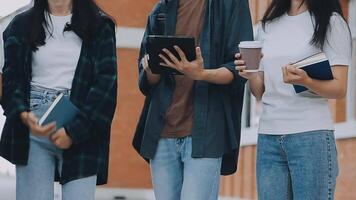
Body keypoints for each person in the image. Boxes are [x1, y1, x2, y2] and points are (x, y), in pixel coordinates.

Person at [133, 0, 253, 199]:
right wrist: (150, 70)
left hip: (206, 134)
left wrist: (201, 74)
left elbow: (240, 70)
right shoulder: (161, 8)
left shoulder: (232, 4)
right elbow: (145, 82)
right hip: (162, 135)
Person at [0, 0, 117, 199]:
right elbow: (11, 80)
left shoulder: (99, 26)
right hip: (33, 127)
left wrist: (74, 131)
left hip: (83, 125)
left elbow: (106, 86)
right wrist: (22, 113)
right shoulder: (20, 25)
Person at [235, 0, 352, 199]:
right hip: (269, 137)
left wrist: (306, 80)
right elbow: (259, 91)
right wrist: (250, 75)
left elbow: (339, 88)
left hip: (311, 136)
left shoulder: (331, 22)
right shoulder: (267, 26)